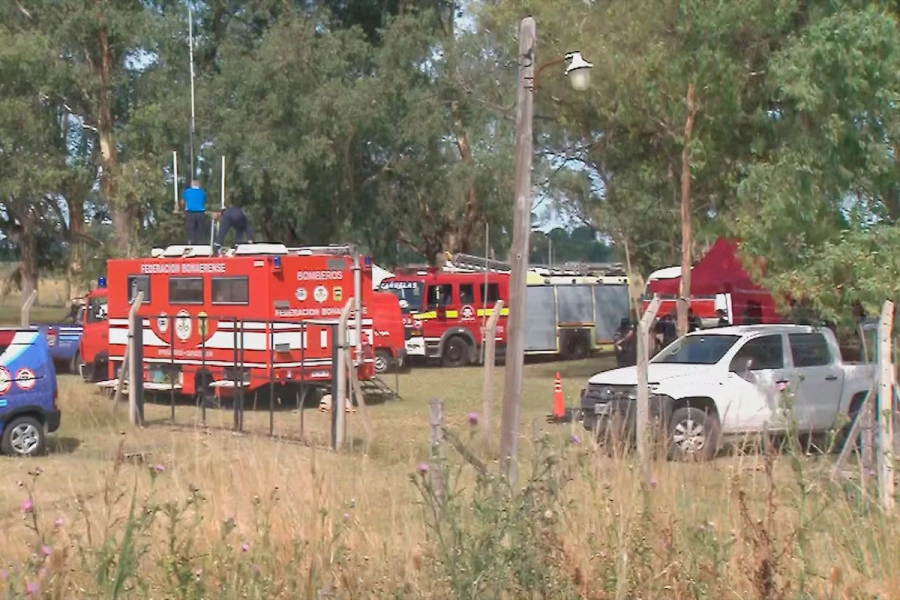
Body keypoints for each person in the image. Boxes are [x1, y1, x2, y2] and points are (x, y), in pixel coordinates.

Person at [181, 179, 208, 246]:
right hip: (200, 212)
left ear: (192, 185)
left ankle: (192, 245)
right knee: (201, 230)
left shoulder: (187, 192)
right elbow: (204, 201)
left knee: (191, 230)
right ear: (198, 185)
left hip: (190, 212)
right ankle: (201, 245)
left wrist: (183, 208)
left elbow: (183, 202)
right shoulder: (202, 192)